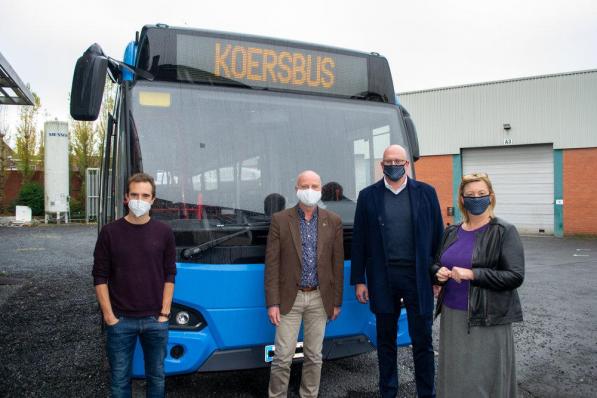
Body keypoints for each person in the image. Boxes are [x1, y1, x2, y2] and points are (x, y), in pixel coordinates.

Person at [351, 144, 444, 398]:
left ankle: (427, 393)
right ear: (381, 165)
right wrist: (359, 279)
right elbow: (359, 241)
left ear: (407, 164)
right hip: (383, 278)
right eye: (388, 161)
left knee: (422, 341)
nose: (393, 165)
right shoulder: (368, 196)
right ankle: (388, 391)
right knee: (386, 341)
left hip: (418, 277)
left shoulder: (426, 193)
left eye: (398, 160)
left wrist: (437, 277)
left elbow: (438, 238)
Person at [430, 172, 524, 398]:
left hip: (487, 317)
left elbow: (515, 276)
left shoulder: (504, 231)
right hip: (453, 316)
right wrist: (437, 274)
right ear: (462, 199)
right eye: (470, 194)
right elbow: (435, 263)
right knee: (455, 375)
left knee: (484, 378)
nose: (476, 198)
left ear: (491, 197)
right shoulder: (452, 231)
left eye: (481, 194)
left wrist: (474, 274)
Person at [92, 173, 177, 398]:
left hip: (155, 321)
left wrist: (165, 313)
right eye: (135, 195)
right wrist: (110, 317)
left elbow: (170, 274)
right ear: (126, 198)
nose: (140, 199)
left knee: (157, 377)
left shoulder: (164, 232)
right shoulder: (110, 232)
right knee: (119, 380)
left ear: (153, 200)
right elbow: (99, 277)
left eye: (145, 195)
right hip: (120, 321)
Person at [264, 170, 344, 398]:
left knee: (314, 356)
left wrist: (336, 302)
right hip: (290, 297)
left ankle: (309, 395)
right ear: (296, 189)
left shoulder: (334, 221)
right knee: (282, 357)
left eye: (315, 186)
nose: (310, 191)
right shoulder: (280, 220)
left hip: (320, 298)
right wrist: (272, 303)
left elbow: (336, 264)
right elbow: (272, 265)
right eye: (305, 186)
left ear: (321, 190)